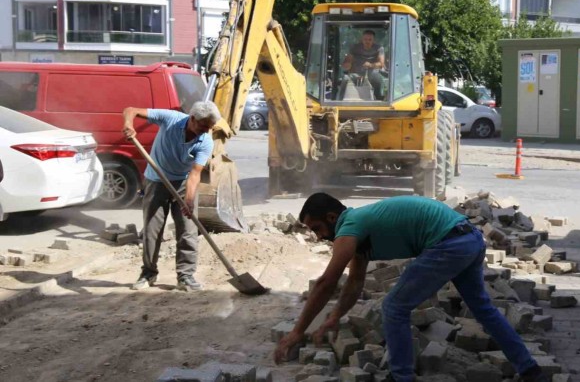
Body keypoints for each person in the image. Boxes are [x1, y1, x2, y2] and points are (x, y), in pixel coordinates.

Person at [274, 193, 548, 382]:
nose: (318, 235)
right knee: (483, 309)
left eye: (318, 227)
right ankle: (530, 369)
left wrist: (297, 331)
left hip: (448, 243)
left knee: (393, 307)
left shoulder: (350, 226)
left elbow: (326, 282)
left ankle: (401, 376)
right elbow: (354, 283)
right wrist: (334, 318)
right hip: (469, 239)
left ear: (333, 217)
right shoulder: (358, 230)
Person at [122, 101, 220, 292]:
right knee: (152, 230)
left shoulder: (205, 142)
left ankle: (186, 276)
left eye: (209, 128)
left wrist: (189, 201)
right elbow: (131, 109)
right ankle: (148, 273)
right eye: (203, 126)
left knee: (188, 230)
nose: (205, 131)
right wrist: (128, 124)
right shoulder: (170, 119)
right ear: (192, 118)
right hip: (156, 180)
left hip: (184, 184)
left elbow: (195, 174)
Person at [341, 30, 386, 100]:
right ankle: (340, 100)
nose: (367, 41)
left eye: (370, 40)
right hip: (356, 74)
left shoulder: (379, 48)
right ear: (362, 39)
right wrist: (347, 64)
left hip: (372, 73)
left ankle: (379, 99)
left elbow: (381, 64)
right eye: (365, 39)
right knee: (345, 79)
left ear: (374, 40)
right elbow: (348, 60)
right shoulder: (355, 48)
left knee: (377, 78)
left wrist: (370, 65)